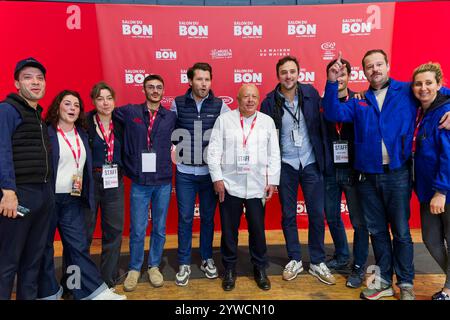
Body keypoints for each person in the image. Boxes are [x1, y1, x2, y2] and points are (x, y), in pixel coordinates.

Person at [323, 50, 450, 300]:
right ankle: (383, 281)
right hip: (367, 178)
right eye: (369, 66)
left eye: (379, 64)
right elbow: (333, 112)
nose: (375, 70)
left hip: (398, 175)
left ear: (388, 66)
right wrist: (331, 82)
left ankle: (405, 283)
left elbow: (439, 92)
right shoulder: (359, 100)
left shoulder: (407, 90)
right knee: (378, 232)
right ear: (365, 71)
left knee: (402, 232)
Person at [36, 90, 125, 300]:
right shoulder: (46, 133)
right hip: (49, 200)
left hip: (73, 200)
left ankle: (90, 291)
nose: (72, 109)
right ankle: (49, 292)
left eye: (76, 105)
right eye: (67, 104)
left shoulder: (82, 134)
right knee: (45, 248)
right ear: (58, 107)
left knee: (78, 247)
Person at [260, 56, 335, 285]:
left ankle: (317, 261)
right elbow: (265, 138)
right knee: (289, 215)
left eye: (292, 71)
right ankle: (294, 258)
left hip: (311, 162)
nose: (288, 76)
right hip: (286, 165)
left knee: (316, 214)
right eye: (284, 72)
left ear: (299, 73)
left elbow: (326, 120)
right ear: (278, 75)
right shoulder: (269, 101)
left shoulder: (311, 94)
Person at [208, 84, 280, 291]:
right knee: (229, 231)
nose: (250, 100)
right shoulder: (224, 120)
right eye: (245, 96)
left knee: (257, 230)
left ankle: (260, 268)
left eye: (254, 96)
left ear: (258, 99)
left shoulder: (266, 121)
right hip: (230, 186)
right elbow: (213, 151)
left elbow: (274, 153)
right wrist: (217, 179)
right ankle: (229, 269)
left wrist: (272, 180)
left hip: (257, 185)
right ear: (237, 99)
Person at [114, 75, 176, 291]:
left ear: (163, 90)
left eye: (159, 87)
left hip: (163, 181)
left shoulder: (171, 116)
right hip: (140, 181)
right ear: (143, 90)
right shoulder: (130, 112)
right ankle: (134, 267)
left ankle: (154, 266)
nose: (155, 90)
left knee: (159, 227)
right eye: (151, 87)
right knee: (138, 228)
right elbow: (106, 113)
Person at [170, 62, 230, 286]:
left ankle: (206, 258)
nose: (203, 84)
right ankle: (184, 262)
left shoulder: (219, 105)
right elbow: (168, 130)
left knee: (207, 218)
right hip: (184, 172)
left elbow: (230, 132)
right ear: (190, 81)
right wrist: (172, 146)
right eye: (199, 79)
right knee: (185, 218)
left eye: (207, 79)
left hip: (209, 173)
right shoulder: (177, 104)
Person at [0, 58, 54, 300]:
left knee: (32, 261)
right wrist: (8, 192)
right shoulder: (7, 110)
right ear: (16, 83)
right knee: (7, 262)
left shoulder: (38, 116)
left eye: (39, 78)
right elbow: (2, 150)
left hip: (42, 196)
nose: (35, 82)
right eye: (28, 77)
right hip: (18, 196)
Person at [323, 58, 369, 289]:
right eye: (335, 74)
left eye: (343, 74)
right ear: (330, 77)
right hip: (330, 170)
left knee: (359, 223)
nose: (339, 78)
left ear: (349, 77)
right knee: (331, 216)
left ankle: (359, 266)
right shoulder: (324, 102)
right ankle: (341, 256)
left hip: (353, 171)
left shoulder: (360, 100)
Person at [411, 63, 450, 300]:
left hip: (444, 190)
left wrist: (442, 192)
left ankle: (447, 290)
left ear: (439, 84)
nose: (423, 88)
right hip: (426, 191)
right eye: (418, 83)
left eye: (428, 83)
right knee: (430, 239)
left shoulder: (445, 113)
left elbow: (448, 155)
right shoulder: (420, 110)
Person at [84, 82, 125, 288]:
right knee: (84, 232)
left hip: (114, 181)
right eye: (100, 98)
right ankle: (80, 279)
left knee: (114, 231)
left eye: (109, 98)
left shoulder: (120, 123)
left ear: (114, 101)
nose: (105, 102)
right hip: (90, 181)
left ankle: (108, 278)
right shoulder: (84, 122)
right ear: (93, 101)